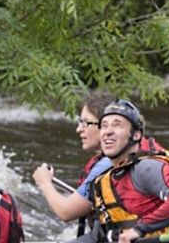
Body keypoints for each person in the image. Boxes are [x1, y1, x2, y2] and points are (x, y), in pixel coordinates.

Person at [49, 100, 169, 243]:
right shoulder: (105, 181)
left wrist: (139, 229)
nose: (108, 131)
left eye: (117, 125)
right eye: (104, 126)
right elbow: (100, 236)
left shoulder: (147, 168)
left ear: (136, 135)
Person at [32, 93, 114, 233]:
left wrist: (44, 182)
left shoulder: (107, 164)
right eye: (79, 121)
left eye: (86, 123)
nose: (79, 129)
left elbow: (65, 212)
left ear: (106, 126)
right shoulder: (123, 156)